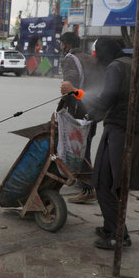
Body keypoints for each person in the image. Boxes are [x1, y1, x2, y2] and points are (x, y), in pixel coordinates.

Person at [61, 37, 139, 250]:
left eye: (97, 55)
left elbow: (104, 100)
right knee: (118, 183)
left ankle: (117, 235)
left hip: (118, 132)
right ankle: (111, 227)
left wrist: (76, 94)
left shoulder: (115, 67)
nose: (97, 59)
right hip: (137, 131)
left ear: (103, 53)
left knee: (104, 182)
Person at [58, 32, 101, 204]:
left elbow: (69, 86)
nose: (61, 47)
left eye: (62, 44)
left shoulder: (69, 59)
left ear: (66, 45)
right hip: (93, 109)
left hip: (78, 111)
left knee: (79, 149)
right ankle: (80, 178)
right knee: (85, 145)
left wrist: (63, 105)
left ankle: (87, 189)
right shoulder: (90, 58)